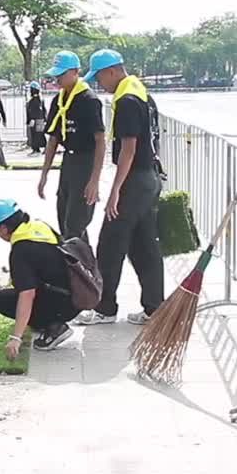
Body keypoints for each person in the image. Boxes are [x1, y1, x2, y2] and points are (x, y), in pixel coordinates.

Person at [74, 49, 164, 326]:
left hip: (134, 181)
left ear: (112, 70)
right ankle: (154, 308)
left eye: (100, 76)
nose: (100, 83)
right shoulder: (141, 91)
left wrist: (115, 191)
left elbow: (128, 149)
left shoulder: (126, 100)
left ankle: (105, 308)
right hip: (149, 178)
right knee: (144, 246)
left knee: (110, 245)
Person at [0, 199, 78, 358]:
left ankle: (54, 326)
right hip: (75, 294)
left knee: (0, 299)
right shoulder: (38, 226)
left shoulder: (21, 249)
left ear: (3, 228)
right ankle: (47, 319)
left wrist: (16, 337)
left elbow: (27, 294)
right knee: (19, 291)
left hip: (63, 305)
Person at [37, 51, 106, 242]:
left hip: (86, 162)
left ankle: (80, 268)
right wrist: (44, 174)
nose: (57, 79)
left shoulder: (89, 101)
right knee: (65, 221)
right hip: (69, 162)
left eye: (61, 75)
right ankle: (83, 268)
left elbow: (100, 140)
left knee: (75, 225)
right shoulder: (58, 100)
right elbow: (53, 139)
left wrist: (94, 181)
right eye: (55, 75)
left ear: (75, 72)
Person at [25, 81, 47, 155]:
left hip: (36, 120)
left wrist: (32, 119)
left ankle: (37, 149)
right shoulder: (39, 100)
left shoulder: (35, 100)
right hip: (39, 120)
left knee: (36, 135)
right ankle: (39, 149)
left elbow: (36, 110)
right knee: (39, 135)